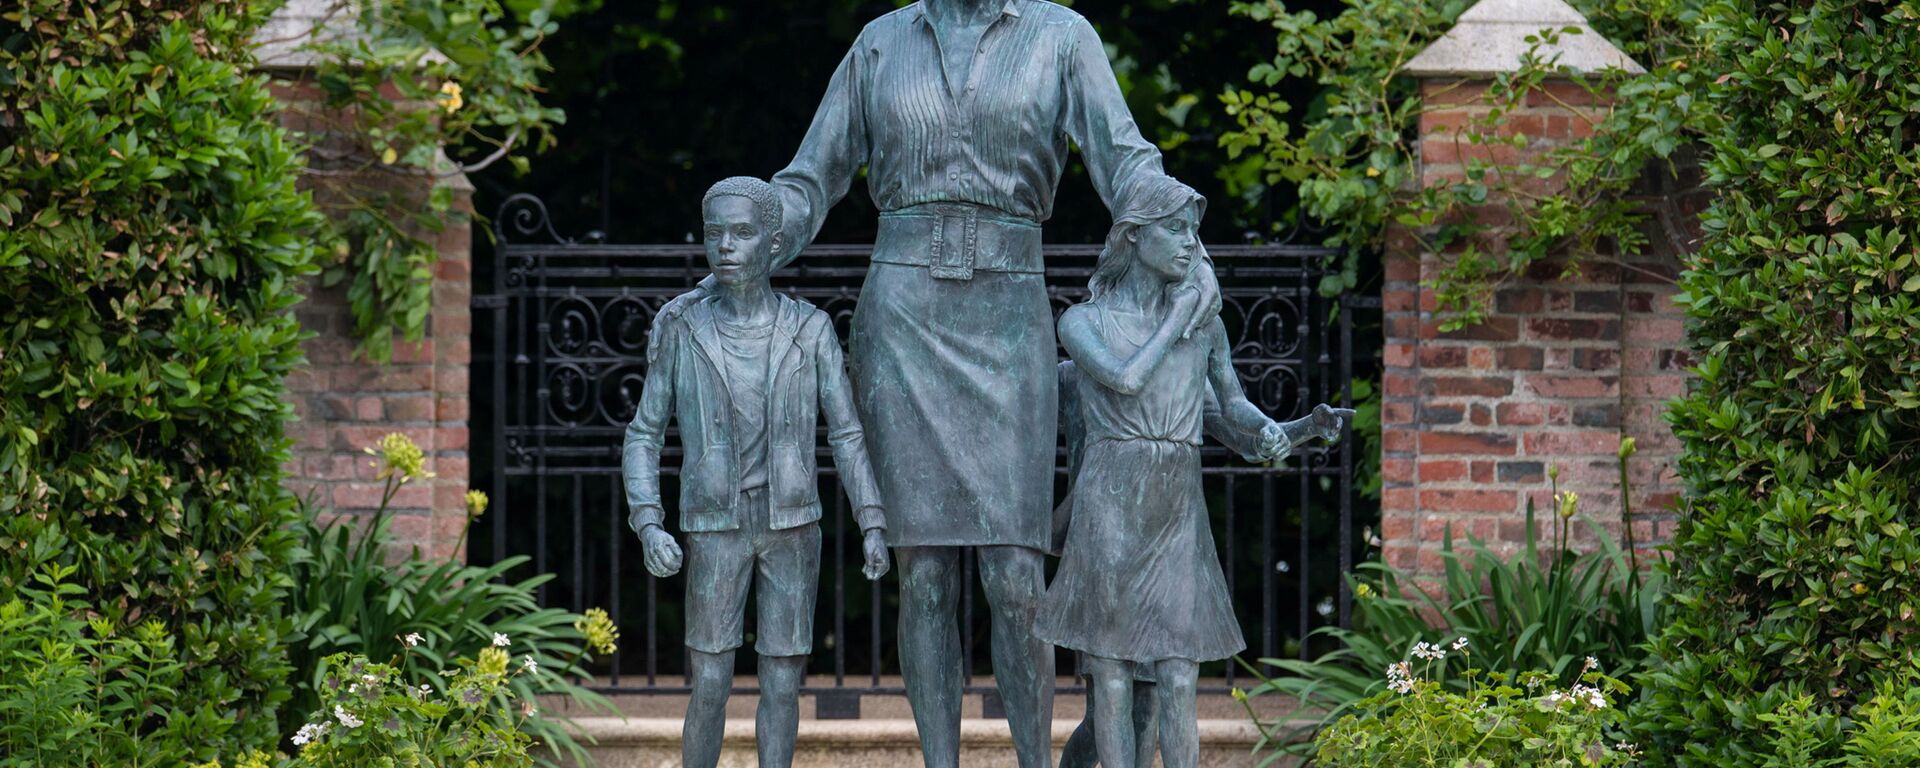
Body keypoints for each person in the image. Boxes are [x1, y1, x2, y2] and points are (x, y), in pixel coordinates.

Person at [655, 3, 1220, 765]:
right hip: (903, 316)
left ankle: (1032, 761)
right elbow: (808, 180)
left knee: (1016, 571)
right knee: (923, 572)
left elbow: (1128, 163)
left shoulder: (1060, 36)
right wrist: (747, 245)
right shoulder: (881, 41)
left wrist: (1184, 239)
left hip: (1010, 306)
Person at [1036, 176, 1352, 768]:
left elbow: (1232, 413)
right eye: (1175, 229)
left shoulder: (1204, 327)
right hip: (1110, 501)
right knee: (1112, 674)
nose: (1190, 245)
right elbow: (1126, 381)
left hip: (1175, 506)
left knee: (1180, 674)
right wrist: (1179, 312)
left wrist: (1300, 428)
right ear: (1133, 237)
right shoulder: (1083, 322)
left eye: (1194, 233)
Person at [621, 176, 892, 768]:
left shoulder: (810, 329)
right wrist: (649, 522)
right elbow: (644, 433)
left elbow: (845, 432)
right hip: (715, 526)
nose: (725, 246)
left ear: (773, 242)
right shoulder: (684, 331)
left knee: (782, 685)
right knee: (711, 683)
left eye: (741, 233)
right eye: (714, 233)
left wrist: (871, 520)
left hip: (793, 524)